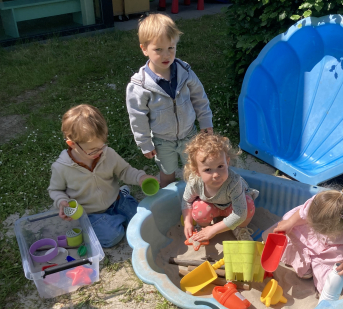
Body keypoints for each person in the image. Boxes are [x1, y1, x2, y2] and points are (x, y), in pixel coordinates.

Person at [48, 104, 157, 248]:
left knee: (143, 222)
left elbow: (124, 170)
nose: (99, 152)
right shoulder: (61, 167)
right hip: (90, 213)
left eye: (102, 146)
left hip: (116, 200)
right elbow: (55, 190)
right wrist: (62, 201)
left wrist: (140, 178)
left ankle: (121, 208)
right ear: (72, 144)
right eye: (93, 150)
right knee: (112, 237)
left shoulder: (107, 153)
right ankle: (103, 224)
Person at [126, 13, 213, 189]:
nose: (166, 55)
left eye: (171, 48)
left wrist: (205, 121)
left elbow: (199, 97)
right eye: (158, 50)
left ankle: (196, 201)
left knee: (195, 170)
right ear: (144, 49)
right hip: (162, 140)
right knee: (167, 173)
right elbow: (137, 116)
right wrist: (144, 142)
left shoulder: (184, 72)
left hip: (189, 133)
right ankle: (170, 202)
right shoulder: (140, 85)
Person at [262, 185, 343, 294]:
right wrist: (289, 223)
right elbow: (301, 214)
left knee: (329, 284)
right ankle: (305, 262)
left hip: (335, 251)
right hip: (310, 237)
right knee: (287, 223)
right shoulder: (319, 203)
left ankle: (315, 265)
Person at [181, 133, 259, 241]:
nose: (216, 175)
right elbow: (186, 201)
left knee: (248, 205)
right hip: (211, 207)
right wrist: (188, 222)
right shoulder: (195, 182)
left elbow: (240, 213)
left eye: (220, 166)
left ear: (227, 162)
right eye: (208, 170)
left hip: (233, 208)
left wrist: (213, 229)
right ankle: (203, 229)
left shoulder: (234, 182)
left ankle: (240, 228)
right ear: (197, 171)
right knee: (198, 210)